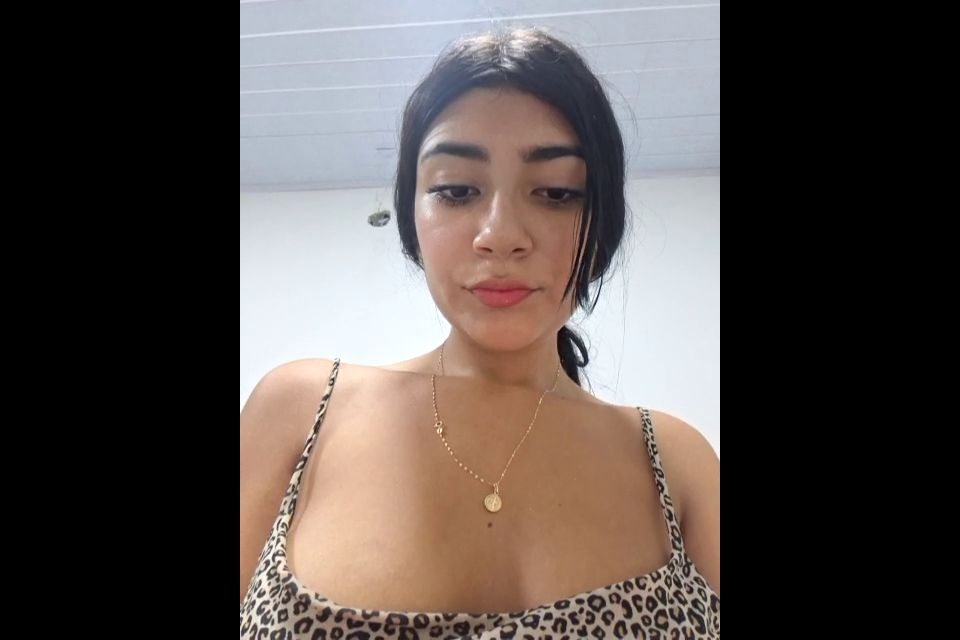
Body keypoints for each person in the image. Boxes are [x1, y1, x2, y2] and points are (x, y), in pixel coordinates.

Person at [240, 27, 719, 639]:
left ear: (603, 221)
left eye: (556, 193)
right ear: (411, 214)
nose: (500, 234)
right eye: (457, 190)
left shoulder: (676, 465)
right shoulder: (303, 411)